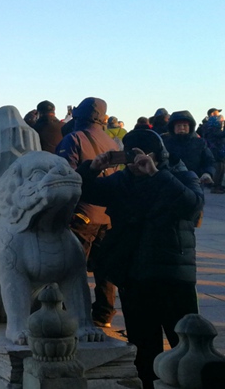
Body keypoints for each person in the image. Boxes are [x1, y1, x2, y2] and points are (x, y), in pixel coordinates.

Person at [77, 129, 203, 389]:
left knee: (186, 345)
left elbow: (191, 207)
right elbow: (85, 193)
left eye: (139, 155)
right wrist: (91, 168)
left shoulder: (181, 175)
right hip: (134, 273)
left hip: (172, 274)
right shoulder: (122, 180)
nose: (133, 163)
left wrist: (156, 174)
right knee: (144, 349)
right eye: (129, 155)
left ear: (155, 155)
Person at [55, 97, 119, 328]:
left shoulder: (73, 138)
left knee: (72, 267)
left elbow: (65, 175)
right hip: (107, 214)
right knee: (104, 268)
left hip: (81, 213)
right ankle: (104, 314)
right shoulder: (112, 142)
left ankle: (69, 313)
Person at [162, 110, 215, 186]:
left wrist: (207, 173)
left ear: (190, 127)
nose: (182, 128)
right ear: (172, 128)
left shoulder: (199, 143)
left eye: (185, 125)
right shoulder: (165, 143)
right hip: (171, 182)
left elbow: (209, 160)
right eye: (178, 126)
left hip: (194, 182)